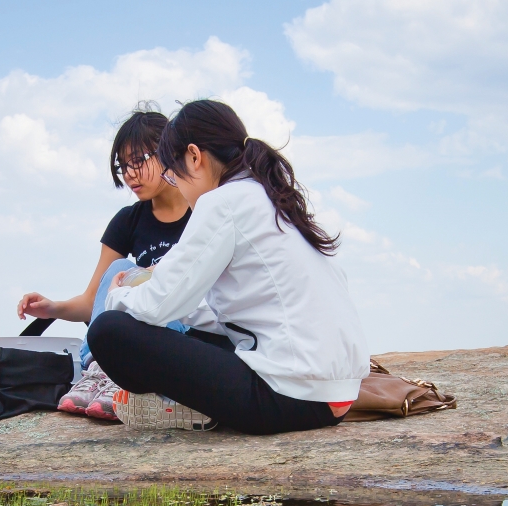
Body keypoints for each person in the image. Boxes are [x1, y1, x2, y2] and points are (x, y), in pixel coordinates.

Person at [87, 100, 368, 435]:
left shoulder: (223, 202)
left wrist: (116, 298)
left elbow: (157, 304)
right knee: (195, 331)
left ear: (194, 157)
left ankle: (176, 403)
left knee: (107, 331)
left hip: (288, 396)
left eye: (174, 177)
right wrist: (185, 314)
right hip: (333, 393)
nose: (178, 187)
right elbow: (233, 315)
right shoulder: (269, 195)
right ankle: (188, 402)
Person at [14, 107, 193, 417]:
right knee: (118, 270)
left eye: (139, 161)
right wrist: (52, 308)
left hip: (184, 330)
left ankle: (116, 371)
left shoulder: (200, 211)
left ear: (168, 151)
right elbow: (93, 300)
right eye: (123, 165)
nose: (130, 175)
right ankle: (100, 370)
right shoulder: (128, 221)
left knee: (143, 274)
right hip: (140, 335)